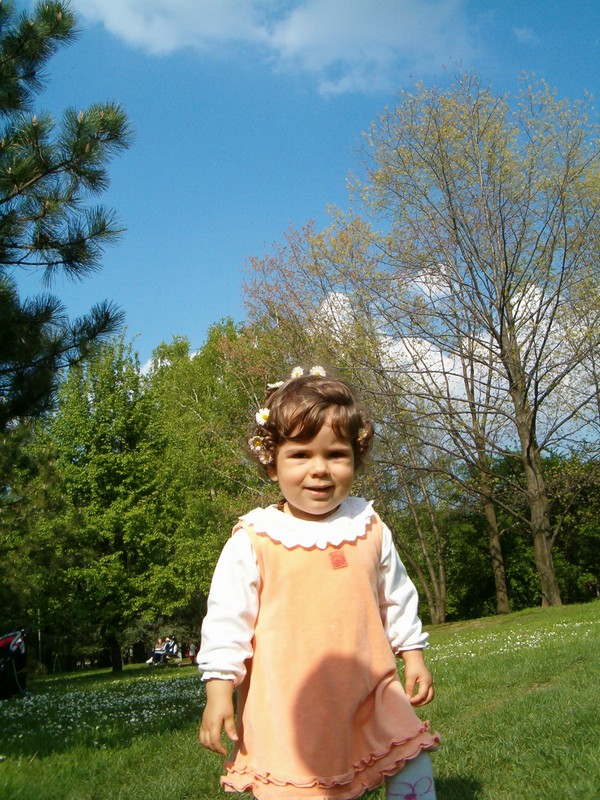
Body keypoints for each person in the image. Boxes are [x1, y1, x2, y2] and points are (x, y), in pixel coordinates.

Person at [198, 367, 440, 800]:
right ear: (271, 464)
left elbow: (396, 598)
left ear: (355, 458)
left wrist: (413, 654)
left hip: (372, 687)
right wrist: (219, 690)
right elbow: (227, 622)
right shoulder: (256, 539)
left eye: (335, 454)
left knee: (409, 754)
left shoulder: (368, 526)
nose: (320, 469)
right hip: (291, 704)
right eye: (300, 455)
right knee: (309, 787)